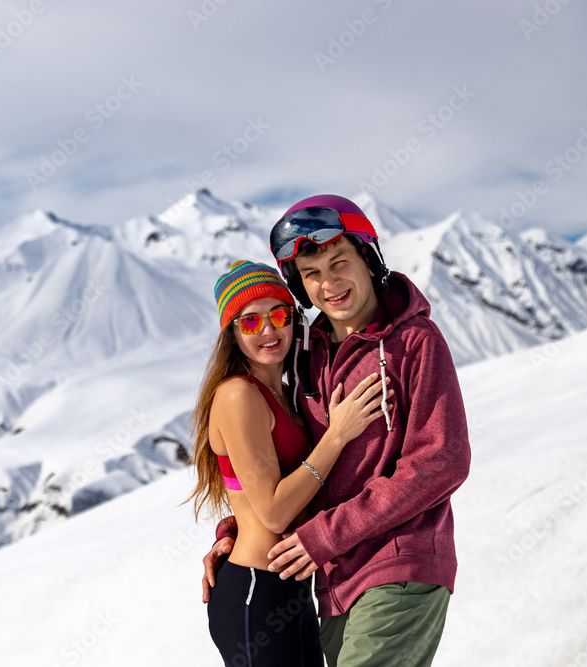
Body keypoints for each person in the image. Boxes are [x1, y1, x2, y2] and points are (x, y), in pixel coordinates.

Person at [201, 195, 472, 667]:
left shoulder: (414, 343)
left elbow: (441, 460)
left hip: (398, 567)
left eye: (339, 262)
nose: (329, 284)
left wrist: (324, 534)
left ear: (369, 260)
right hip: (332, 580)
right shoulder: (310, 353)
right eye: (312, 275)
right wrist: (238, 529)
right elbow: (285, 472)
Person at [188, 259, 391, 666]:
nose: (268, 331)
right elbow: (275, 512)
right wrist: (336, 436)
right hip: (254, 592)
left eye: (279, 315)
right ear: (232, 333)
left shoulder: (285, 391)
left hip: (290, 590)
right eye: (250, 323)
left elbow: (262, 495)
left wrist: (227, 531)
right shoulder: (237, 396)